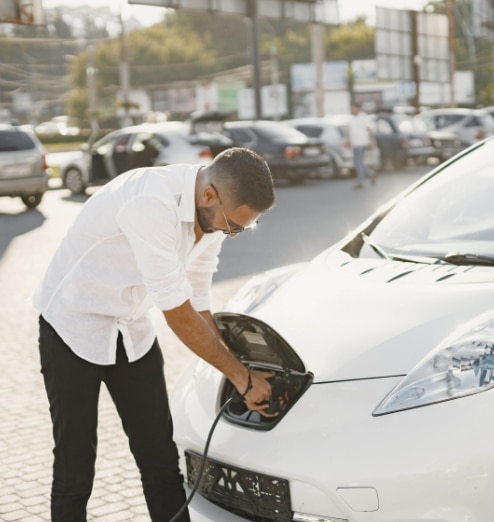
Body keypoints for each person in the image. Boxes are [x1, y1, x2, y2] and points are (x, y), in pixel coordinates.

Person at [31, 147, 276, 522]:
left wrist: (239, 370)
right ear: (209, 194)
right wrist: (241, 379)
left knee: (160, 460)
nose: (232, 233)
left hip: (130, 329)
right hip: (72, 326)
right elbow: (178, 314)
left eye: (241, 229)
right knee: (75, 466)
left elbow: (197, 300)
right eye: (233, 225)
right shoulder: (151, 203)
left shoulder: (212, 214)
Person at [348, 102, 376, 189]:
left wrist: (371, 141)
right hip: (355, 143)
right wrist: (348, 141)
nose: (352, 110)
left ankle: (360, 181)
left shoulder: (364, 117)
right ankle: (371, 173)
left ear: (357, 109)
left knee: (359, 162)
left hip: (362, 143)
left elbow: (369, 129)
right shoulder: (353, 118)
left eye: (353, 108)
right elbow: (352, 132)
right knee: (357, 162)